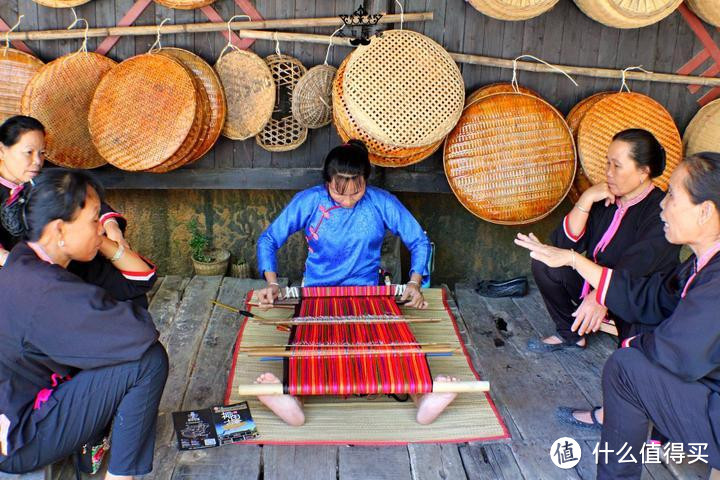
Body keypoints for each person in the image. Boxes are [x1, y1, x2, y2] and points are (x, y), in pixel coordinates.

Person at [515, 153, 720, 478]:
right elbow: (651, 296)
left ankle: (643, 434)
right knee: (639, 329)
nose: (663, 205)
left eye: (673, 197)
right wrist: (572, 259)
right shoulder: (699, 264)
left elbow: (678, 352)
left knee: (627, 368)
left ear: (706, 211)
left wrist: (628, 341)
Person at [254, 140, 455, 426]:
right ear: (327, 182)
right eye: (339, 191)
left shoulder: (380, 202)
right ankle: (293, 400)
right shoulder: (309, 201)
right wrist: (272, 283)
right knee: (312, 348)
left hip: (367, 293)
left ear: (366, 181)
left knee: (391, 345)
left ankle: (423, 398)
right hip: (317, 294)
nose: (348, 200)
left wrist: (415, 282)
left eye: (356, 190)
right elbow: (269, 239)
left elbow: (419, 240)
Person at [0, 169, 167, 480]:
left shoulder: (29, 257)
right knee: (149, 361)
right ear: (59, 230)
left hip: (19, 410)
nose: (100, 229)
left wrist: (104, 244)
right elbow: (141, 333)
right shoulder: (46, 287)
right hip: (20, 438)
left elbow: (139, 281)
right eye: (94, 220)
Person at [0, 116, 128, 268]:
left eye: (41, 153)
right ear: (2, 151)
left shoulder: (46, 178)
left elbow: (86, 200)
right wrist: (22, 266)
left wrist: (112, 227)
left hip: (61, 264)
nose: (37, 161)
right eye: (29, 152)